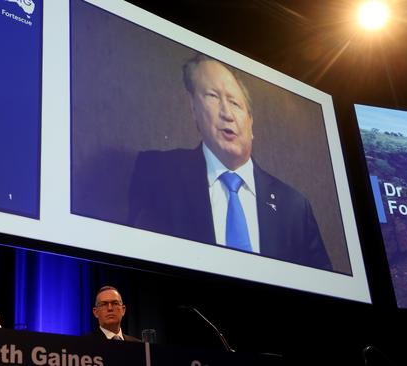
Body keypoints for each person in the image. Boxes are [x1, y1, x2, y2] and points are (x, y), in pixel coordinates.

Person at [128, 54, 332, 271]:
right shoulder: (158, 172)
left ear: (251, 122)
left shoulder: (295, 206)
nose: (227, 114)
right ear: (193, 109)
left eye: (235, 103)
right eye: (213, 96)